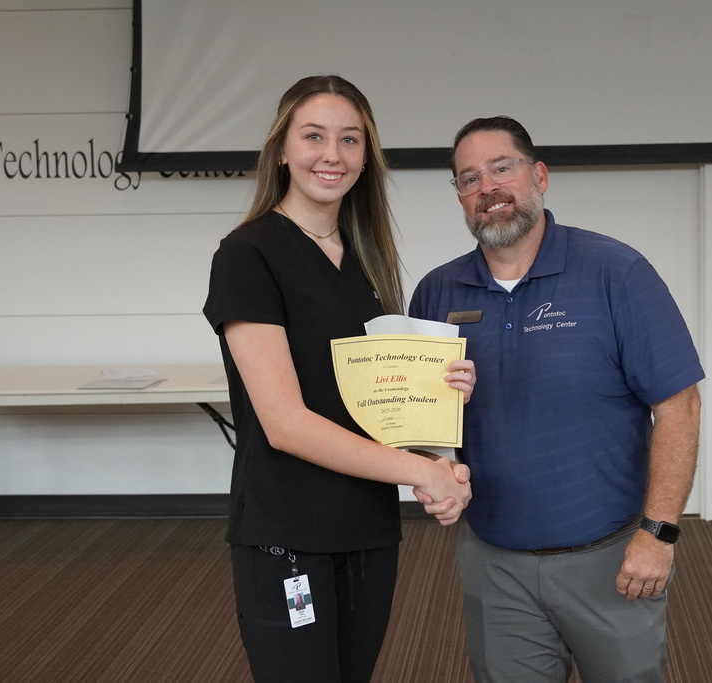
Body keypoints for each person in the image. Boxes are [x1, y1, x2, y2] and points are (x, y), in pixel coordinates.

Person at [409, 116, 704, 683]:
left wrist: (659, 532)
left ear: (539, 176)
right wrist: (434, 464)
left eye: (502, 168)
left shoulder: (617, 272)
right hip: (493, 561)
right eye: (468, 179)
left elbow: (679, 407)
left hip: (610, 559)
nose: (487, 189)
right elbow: (425, 420)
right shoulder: (436, 291)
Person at [203, 75, 473, 683]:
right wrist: (420, 473)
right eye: (314, 136)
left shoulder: (364, 260)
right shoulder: (248, 255)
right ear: (282, 149)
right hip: (288, 536)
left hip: (367, 530)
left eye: (350, 139)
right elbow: (287, 425)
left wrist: (435, 432)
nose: (333, 154)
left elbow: (370, 403)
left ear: (365, 156)